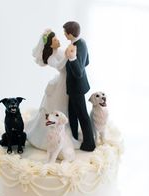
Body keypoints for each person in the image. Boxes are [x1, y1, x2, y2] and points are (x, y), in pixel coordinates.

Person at [26, 29, 80, 150]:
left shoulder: (59, 51)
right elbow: (60, 66)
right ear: (50, 44)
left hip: (66, 81)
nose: (58, 40)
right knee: (58, 107)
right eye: (55, 40)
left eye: (57, 38)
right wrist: (67, 56)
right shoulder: (51, 57)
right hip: (61, 84)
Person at [63, 21, 96, 151]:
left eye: (65, 33)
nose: (64, 35)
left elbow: (78, 72)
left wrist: (72, 58)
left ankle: (89, 143)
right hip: (74, 87)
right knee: (72, 113)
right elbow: (86, 61)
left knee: (82, 114)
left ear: (70, 34)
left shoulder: (77, 46)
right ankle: (74, 137)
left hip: (77, 87)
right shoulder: (81, 42)